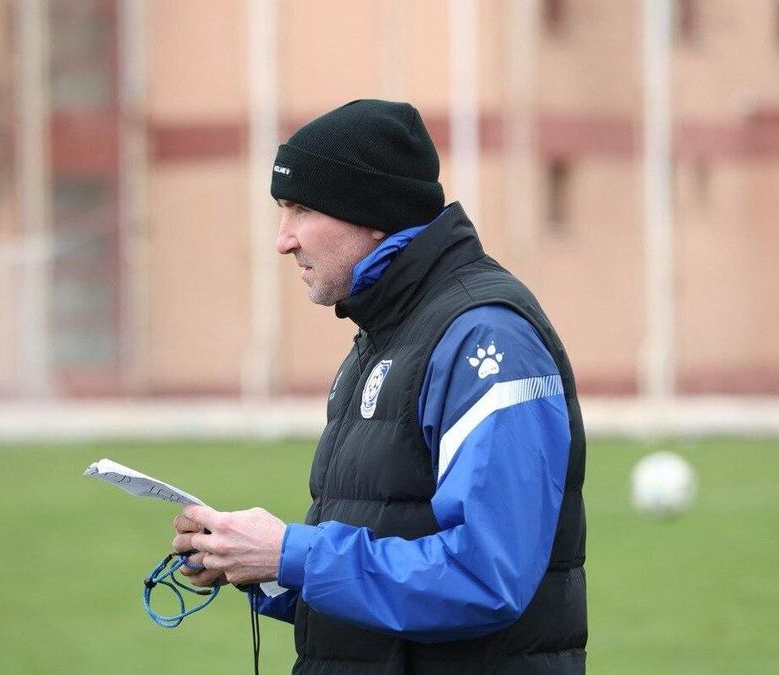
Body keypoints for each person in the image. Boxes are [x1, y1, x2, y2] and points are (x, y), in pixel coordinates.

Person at [172, 99, 587, 674]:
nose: (283, 240)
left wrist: (294, 554)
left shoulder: (485, 338)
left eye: (301, 209)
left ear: (374, 214)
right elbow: (387, 563)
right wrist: (259, 564)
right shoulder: (388, 330)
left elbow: (485, 577)